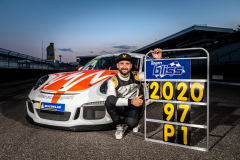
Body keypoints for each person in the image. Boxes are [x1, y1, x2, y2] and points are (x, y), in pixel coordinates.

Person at [105, 48, 162, 139]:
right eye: (122, 64)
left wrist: (157, 60)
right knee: (108, 102)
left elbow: (154, 74)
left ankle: (134, 122)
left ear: (131, 66)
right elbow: (110, 99)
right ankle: (119, 127)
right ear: (118, 66)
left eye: (127, 64)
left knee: (131, 123)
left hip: (134, 106)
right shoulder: (113, 80)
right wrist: (131, 101)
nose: (124, 66)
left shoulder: (137, 75)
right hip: (123, 105)